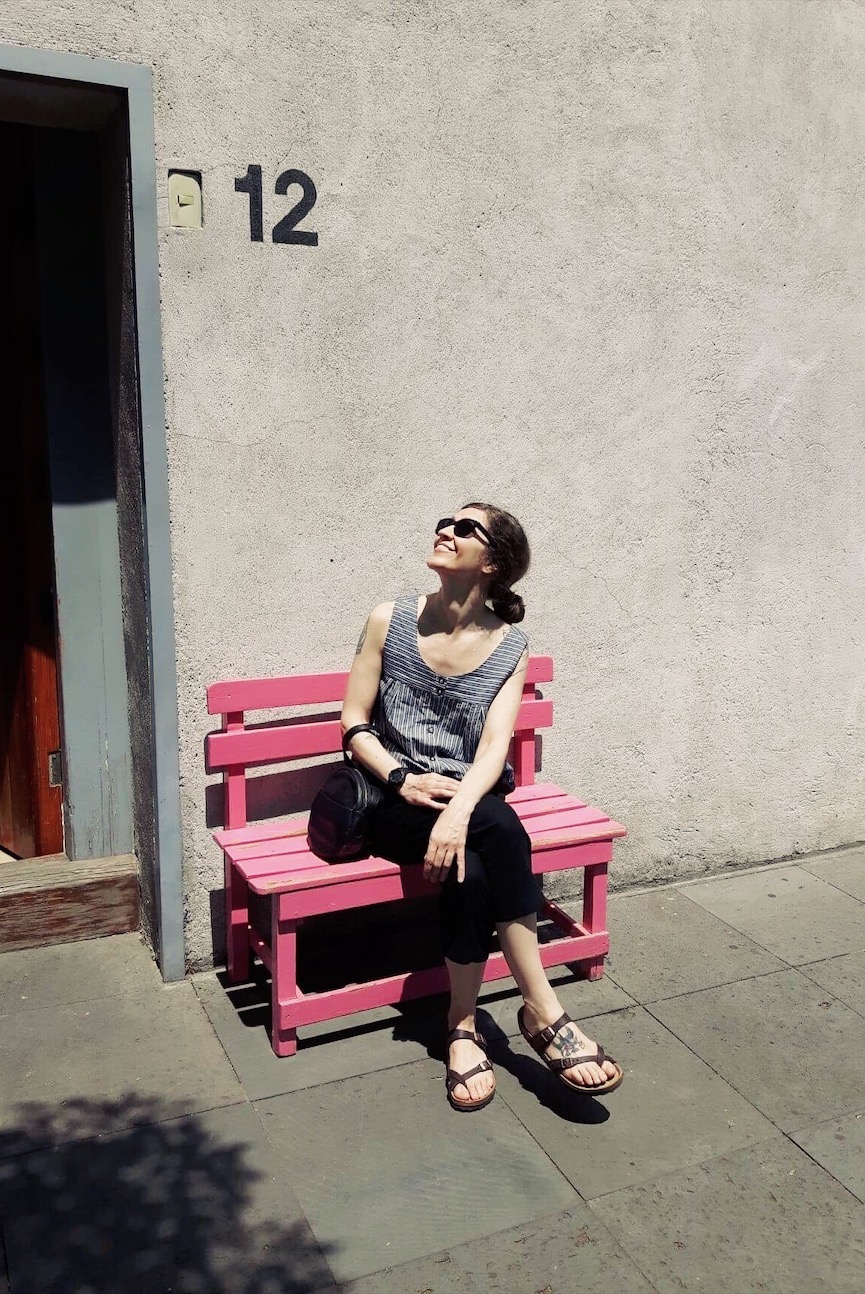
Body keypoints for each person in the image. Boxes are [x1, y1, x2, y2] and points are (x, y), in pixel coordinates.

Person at [340, 503, 623, 1111]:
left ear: (492, 562)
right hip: (393, 798)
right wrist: (402, 779)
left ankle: (462, 1028)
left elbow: (496, 746)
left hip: (465, 803)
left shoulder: (509, 645)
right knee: (495, 826)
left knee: (473, 860)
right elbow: (354, 721)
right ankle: (542, 1009)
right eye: (445, 520)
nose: (446, 529)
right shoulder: (389, 619)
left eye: (466, 528)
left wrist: (456, 811)